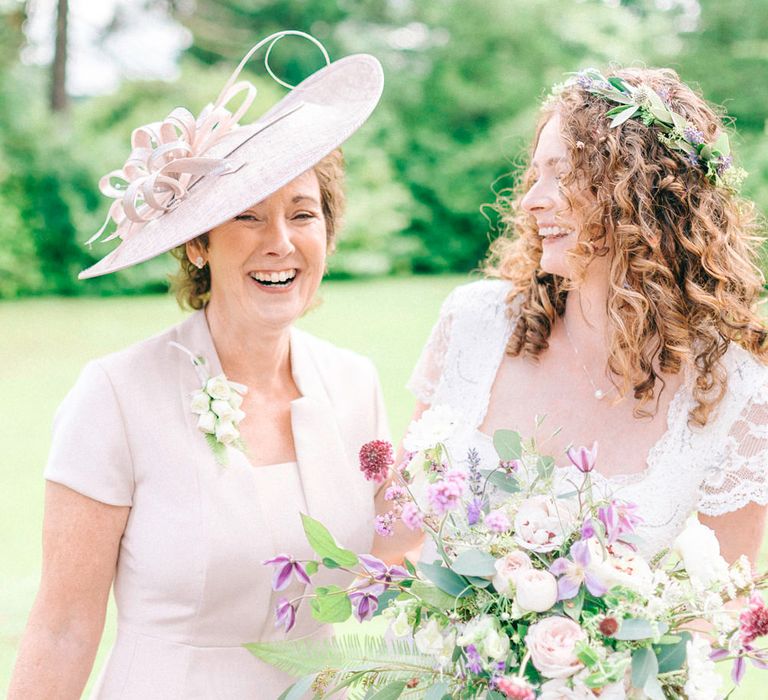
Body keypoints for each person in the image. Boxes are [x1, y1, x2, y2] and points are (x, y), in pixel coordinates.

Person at [9, 32, 387, 699]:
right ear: (199, 247)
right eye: (247, 216)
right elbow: (64, 626)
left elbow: (394, 559)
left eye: (303, 214)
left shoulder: (356, 385)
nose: (280, 242)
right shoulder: (116, 395)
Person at [379, 66, 768, 567]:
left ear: (642, 197)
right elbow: (392, 533)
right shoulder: (474, 324)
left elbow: (723, 610)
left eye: (561, 176)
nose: (531, 200)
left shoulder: (735, 391)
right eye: (535, 173)